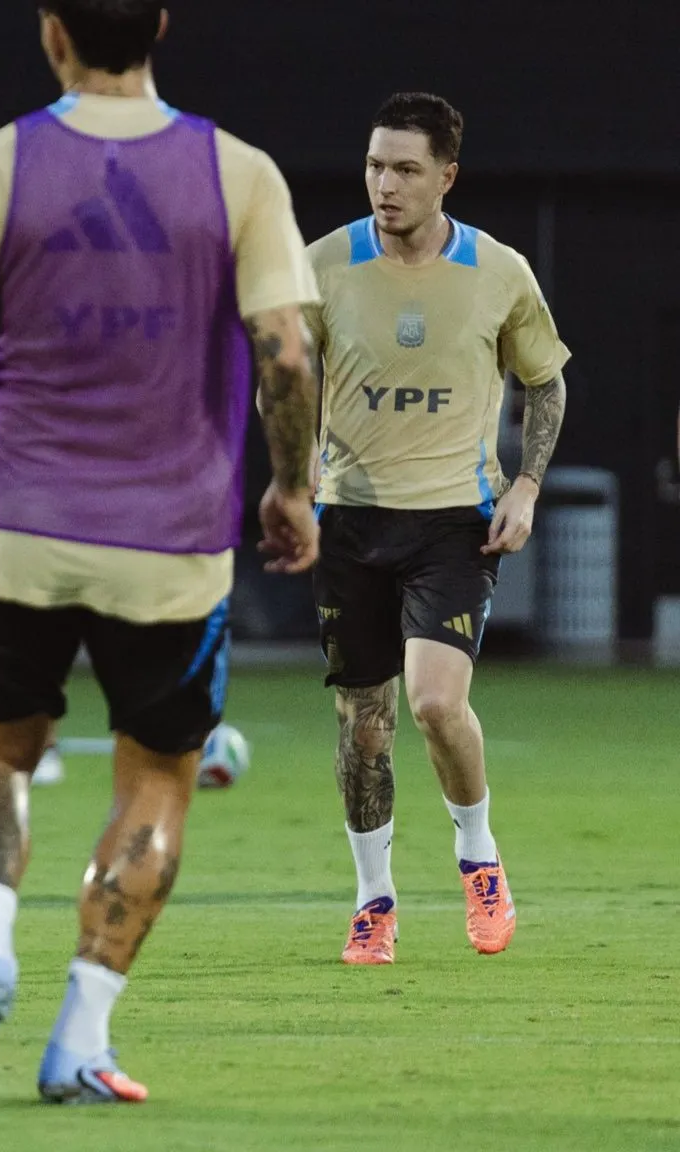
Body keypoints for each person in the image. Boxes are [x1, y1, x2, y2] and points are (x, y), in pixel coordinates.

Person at [0, 0, 322, 1103]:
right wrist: (291, 486)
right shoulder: (240, 173)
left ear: (52, 33)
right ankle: (79, 1038)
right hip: (169, 540)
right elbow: (286, 353)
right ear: (160, 26)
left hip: (17, 528)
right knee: (158, 777)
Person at [306, 92, 570, 965]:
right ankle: (373, 901)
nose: (385, 184)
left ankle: (478, 856)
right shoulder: (323, 265)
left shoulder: (499, 271)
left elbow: (546, 382)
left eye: (406, 170)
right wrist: (292, 460)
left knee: (433, 702)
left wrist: (526, 486)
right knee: (364, 724)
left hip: (455, 521)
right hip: (349, 518)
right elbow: (281, 374)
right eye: (375, 166)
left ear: (447, 177)